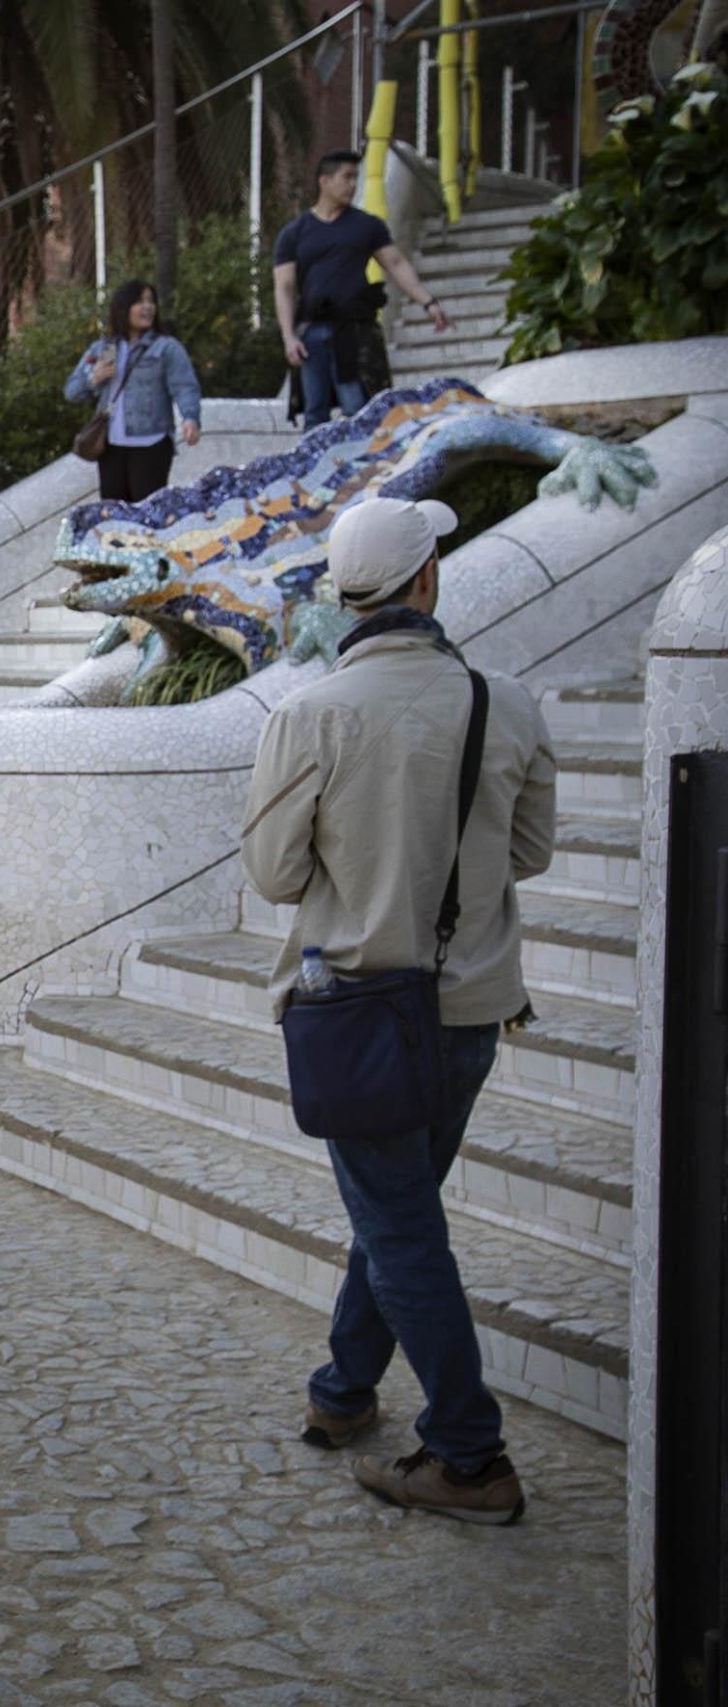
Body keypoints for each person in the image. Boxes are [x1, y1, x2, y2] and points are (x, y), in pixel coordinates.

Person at [240, 496, 557, 1525]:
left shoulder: (311, 713)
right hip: (467, 1007)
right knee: (399, 1213)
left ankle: (469, 1457)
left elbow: (275, 873)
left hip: (355, 1009)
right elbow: (529, 852)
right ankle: (342, 1393)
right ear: (428, 581)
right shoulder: (504, 701)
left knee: (401, 1226)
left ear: (346, 595)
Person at [273, 149, 455, 428]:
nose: (352, 185)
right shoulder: (294, 232)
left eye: (355, 178)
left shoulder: (365, 225)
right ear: (325, 181)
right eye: (346, 177)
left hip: (354, 329)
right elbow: (284, 286)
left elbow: (395, 263)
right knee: (315, 412)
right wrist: (288, 337)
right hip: (312, 330)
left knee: (358, 408)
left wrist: (428, 302)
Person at [64, 278, 204, 501]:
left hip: (151, 443)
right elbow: (71, 392)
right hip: (110, 446)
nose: (147, 307)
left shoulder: (165, 347)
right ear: (123, 308)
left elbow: (185, 386)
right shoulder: (105, 348)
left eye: (151, 301)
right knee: (114, 517)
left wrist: (190, 418)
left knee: (146, 516)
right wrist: (94, 378)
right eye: (140, 302)